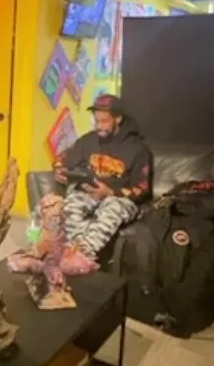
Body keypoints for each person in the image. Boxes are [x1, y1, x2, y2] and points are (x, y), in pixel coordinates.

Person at [53, 94, 153, 262]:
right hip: (88, 192)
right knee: (72, 204)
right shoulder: (87, 141)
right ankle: (72, 251)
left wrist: (110, 192)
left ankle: (81, 256)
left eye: (104, 121)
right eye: (96, 121)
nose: (99, 126)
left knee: (111, 211)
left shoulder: (138, 149)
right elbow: (61, 160)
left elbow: (142, 189)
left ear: (118, 119)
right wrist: (60, 171)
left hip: (118, 199)